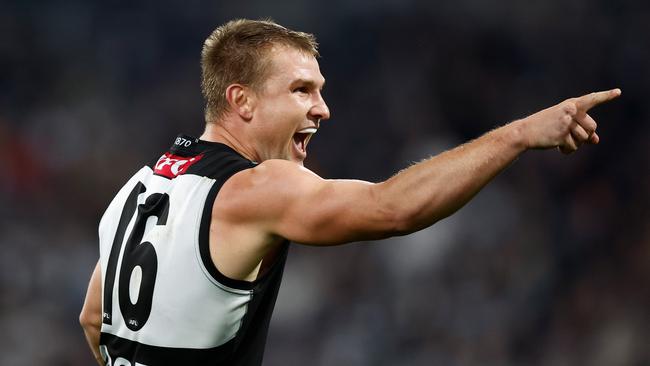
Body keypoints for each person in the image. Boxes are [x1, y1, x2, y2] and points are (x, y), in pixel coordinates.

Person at [79, 18, 621, 365]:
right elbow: (391, 209)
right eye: (301, 90)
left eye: (321, 90)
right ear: (242, 102)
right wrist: (519, 134)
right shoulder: (255, 187)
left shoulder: (137, 186)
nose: (322, 108)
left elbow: (91, 317)